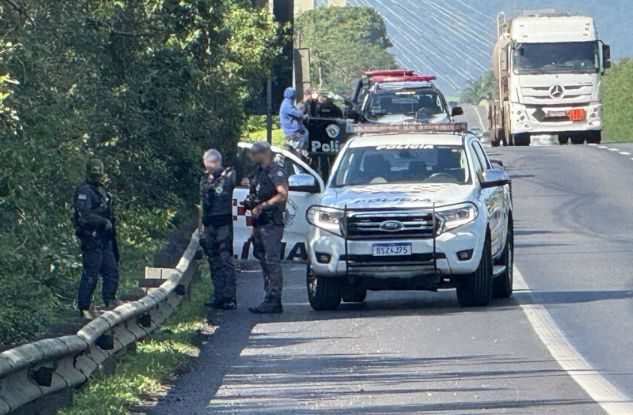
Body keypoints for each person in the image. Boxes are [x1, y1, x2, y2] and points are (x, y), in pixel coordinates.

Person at [244, 141, 289, 314]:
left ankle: (274, 298)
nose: (251, 157)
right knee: (263, 259)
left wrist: (263, 206)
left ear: (263, 153)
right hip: (260, 223)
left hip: (271, 222)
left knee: (272, 260)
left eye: (254, 154)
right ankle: (268, 296)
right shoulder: (259, 172)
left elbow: (282, 195)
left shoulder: (275, 171)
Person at [73, 158, 119, 316]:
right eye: (94, 170)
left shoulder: (101, 190)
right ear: (88, 171)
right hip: (91, 238)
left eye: (99, 170)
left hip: (105, 238)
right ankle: (84, 308)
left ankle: (110, 302)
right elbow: (84, 216)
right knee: (91, 274)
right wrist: (103, 221)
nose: (97, 173)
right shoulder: (84, 191)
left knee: (111, 271)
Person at [199, 149, 238, 310]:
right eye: (207, 164)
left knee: (225, 260)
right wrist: (201, 227)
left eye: (212, 164)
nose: (209, 167)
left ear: (218, 162)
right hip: (209, 224)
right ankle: (219, 296)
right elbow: (202, 203)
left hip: (223, 224)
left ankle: (229, 297)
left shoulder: (228, 176)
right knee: (213, 261)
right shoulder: (204, 178)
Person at [279, 87, 307, 152]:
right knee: (295, 153)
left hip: (293, 132)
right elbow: (299, 114)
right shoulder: (287, 105)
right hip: (293, 133)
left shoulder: (287, 103)